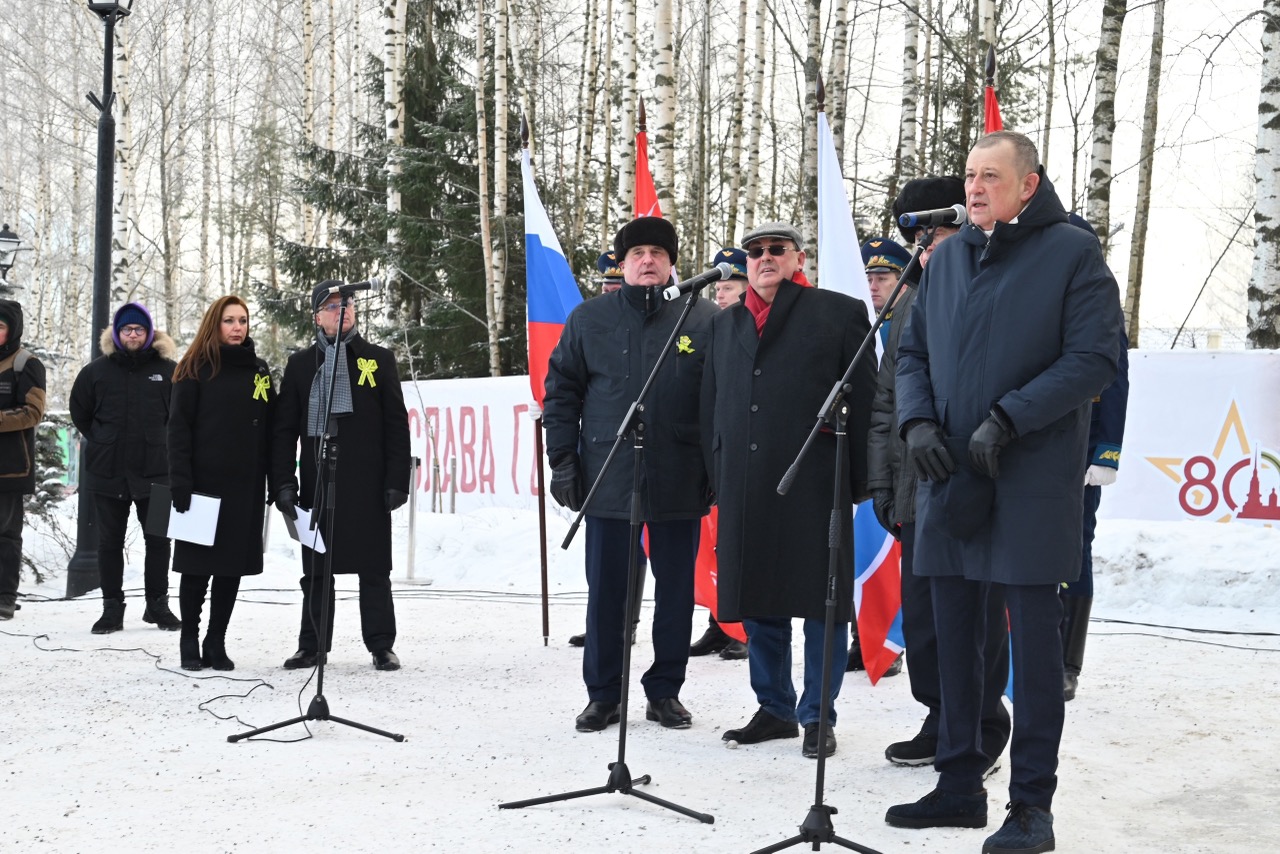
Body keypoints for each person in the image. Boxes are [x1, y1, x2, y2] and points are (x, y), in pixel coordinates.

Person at [885, 131, 1123, 854]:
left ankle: (1030, 809)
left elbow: (1095, 359)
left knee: (1033, 650)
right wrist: (919, 421)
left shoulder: (1072, 255)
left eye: (992, 175)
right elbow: (913, 353)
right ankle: (959, 784)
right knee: (955, 636)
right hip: (949, 474)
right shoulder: (949, 256)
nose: (976, 186)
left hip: (1029, 477)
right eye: (969, 175)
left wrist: (1010, 417)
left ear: (1029, 184)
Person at [702, 222, 877, 759]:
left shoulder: (838, 313)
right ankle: (774, 708)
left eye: (777, 249)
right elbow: (711, 403)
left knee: (820, 605)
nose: (765, 257)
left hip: (814, 481)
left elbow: (868, 399)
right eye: (755, 252)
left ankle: (817, 715)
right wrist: (716, 475)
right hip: (745, 486)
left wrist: (856, 482)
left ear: (799, 258)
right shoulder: (724, 324)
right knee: (758, 602)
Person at [543, 216, 716, 733]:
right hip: (607, 475)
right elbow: (561, 394)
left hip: (679, 475)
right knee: (608, 592)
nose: (647, 261)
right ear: (622, 263)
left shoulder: (702, 318)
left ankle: (665, 691)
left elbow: (719, 400)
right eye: (637, 253)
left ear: (671, 263)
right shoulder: (589, 319)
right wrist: (564, 462)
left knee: (676, 593)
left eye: (657, 254)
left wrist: (716, 468)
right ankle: (603, 694)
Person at [868, 178, 1010, 771]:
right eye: (921, 239)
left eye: (939, 235)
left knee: (974, 621)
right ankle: (939, 715)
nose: (928, 249)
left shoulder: (995, 294)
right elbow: (884, 407)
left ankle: (981, 725)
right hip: (912, 496)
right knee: (924, 622)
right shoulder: (909, 310)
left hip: (971, 490)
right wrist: (882, 484)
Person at [272, 284, 411, 672]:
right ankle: (312, 645)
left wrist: (397, 479)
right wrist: (283, 482)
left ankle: (381, 644)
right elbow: (284, 430)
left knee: (374, 567)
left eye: (347, 304)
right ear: (316, 316)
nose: (342, 310)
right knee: (316, 570)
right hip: (319, 479)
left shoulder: (377, 359)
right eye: (332, 306)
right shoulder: (302, 365)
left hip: (368, 481)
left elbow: (396, 425)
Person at [168, 295, 274, 671]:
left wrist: (275, 481)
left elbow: (272, 429)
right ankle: (189, 638)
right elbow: (178, 430)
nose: (237, 328)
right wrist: (180, 480)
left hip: (244, 486)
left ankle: (216, 641)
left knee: (231, 568)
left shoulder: (258, 370)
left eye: (242, 321)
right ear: (215, 324)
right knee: (197, 569)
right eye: (229, 320)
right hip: (202, 485)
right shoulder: (193, 368)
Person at [70, 302, 180, 633]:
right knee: (109, 542)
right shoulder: (95, 372)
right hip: (108, 471)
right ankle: (111, 609)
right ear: (117, 335)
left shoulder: (170, 371)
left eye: (139, 329)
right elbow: (81, 413)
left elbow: (181, 418)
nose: (133, 334)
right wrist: (104, 440)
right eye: (126, 330)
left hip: (159, 471)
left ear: (150, 334)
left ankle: (157, 606)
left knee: (159, 540)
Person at [1062, 214, 1131, 703]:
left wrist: (1107, 453)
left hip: (1082, 450)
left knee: (1075, 550)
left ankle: (1067, 661)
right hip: (1035, 446)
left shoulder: (1101, 306)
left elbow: (1117, 381)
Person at [567, 250, 647, 650]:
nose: (612, 289)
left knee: (645, 554)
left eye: (618, 283)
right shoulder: (590, 321)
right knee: (604, 562)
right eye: (607, 284)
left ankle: (628, 622)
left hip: (653, 460)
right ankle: (607, 625)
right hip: (605, 460)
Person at [845, 236, 911, 678]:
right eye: (868, 277)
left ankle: (891, 642)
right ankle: (864, 635)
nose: (872, 285)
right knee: (863, 554)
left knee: (896, 557)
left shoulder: (908, 323)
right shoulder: (867, 326)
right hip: (869, 453)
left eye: (883, 277)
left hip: (903, 457)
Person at [689, 245, 750, 661]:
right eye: (719, 287)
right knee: (712, 545)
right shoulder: (713, 327)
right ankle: (717, 621)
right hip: (714, 450)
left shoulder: (754, 329)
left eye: (729, 286)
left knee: (739, 546)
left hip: (746, 454)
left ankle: (742, 630)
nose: (722, 294)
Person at [0, 301, 46, 621]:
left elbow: (33, 412)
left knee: (5, 534)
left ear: (11, 329)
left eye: (0, 327)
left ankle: (4, 596)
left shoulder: (26, 364)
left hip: (11, 465)